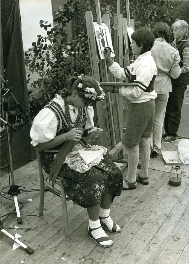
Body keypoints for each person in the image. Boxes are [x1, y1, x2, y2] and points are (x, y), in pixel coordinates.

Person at [30, 75, 123, 248]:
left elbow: (81, 132)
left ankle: (104, 215)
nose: (87, 106)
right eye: (85, 101)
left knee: (113, 170)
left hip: (78, 151)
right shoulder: (51, 112)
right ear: (73, 93)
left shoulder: (83, 108)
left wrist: (89, 134)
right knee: (95, 178)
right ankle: (93, 226)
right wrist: (66, 136)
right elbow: (38, 147)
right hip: (55, 157)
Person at [104, 27, 157, 189]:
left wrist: (117, 90)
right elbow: (123, 73)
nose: (130, 45)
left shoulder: (145, 65)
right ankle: (144, 174)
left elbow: (136, 92)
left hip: (141, 106)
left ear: (140, 45)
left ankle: (131, 179)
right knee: (144, 140)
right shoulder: (141, 61)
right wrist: (109, 61)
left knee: (131, 144)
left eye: (133, 43)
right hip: (147, 106)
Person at [150, 22, 181, 158]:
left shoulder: (148, 46)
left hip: (148, 84)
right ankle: (156, 146)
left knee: (147, 116)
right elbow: (175, 74)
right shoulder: (173, 51)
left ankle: (147, 145)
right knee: (158, 118)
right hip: (163, 86)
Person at [163, 20, 189, 142]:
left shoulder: (186, 46)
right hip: (172, 79)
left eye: (176, 30)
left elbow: (186, 66)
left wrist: (175, 73)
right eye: (173, 29)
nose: (173, 32)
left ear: (183, 31)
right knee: (168, 105)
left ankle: (172, 133)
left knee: (175, 106)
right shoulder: (174, 43)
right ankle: (167, 131)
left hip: (179, 81)